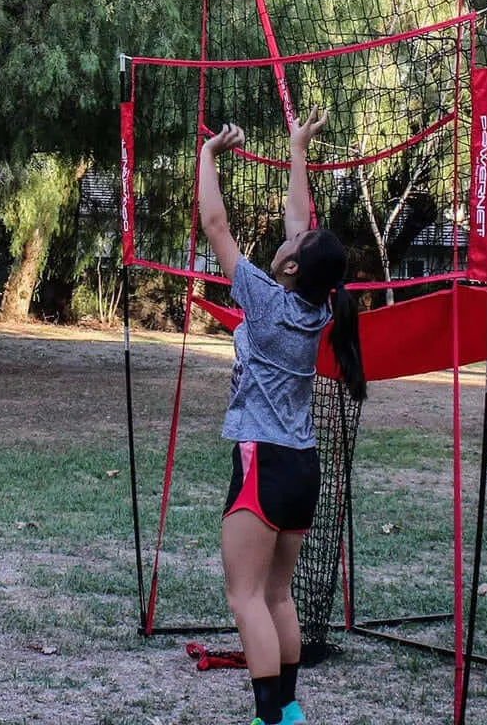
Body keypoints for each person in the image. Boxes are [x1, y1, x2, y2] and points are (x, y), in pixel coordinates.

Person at [198, 107, 366, 725]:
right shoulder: (319, 308)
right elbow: (302, 224)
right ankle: (288, 712)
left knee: (244, 597)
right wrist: (297, 151)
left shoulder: (266, 302)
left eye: (292, 244)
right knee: (277, 594)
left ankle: (271, 719)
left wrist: (208, 157)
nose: (288, 236)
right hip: (301, 466)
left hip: (263, 460)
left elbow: (214, 224)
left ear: (292, 267)